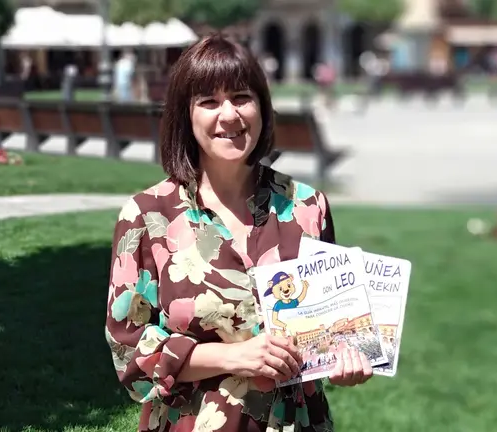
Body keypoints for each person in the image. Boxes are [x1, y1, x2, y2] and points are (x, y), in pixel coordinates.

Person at [104, 34, 373, 432]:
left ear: (262, 107)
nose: (228, 115)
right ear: (186, 115)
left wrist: (346, 361)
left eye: (241, 97)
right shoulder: (147, 216)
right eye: (208, 102)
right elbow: (129, 351)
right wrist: (234, 357)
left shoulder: (307, 206)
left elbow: (332, 327)